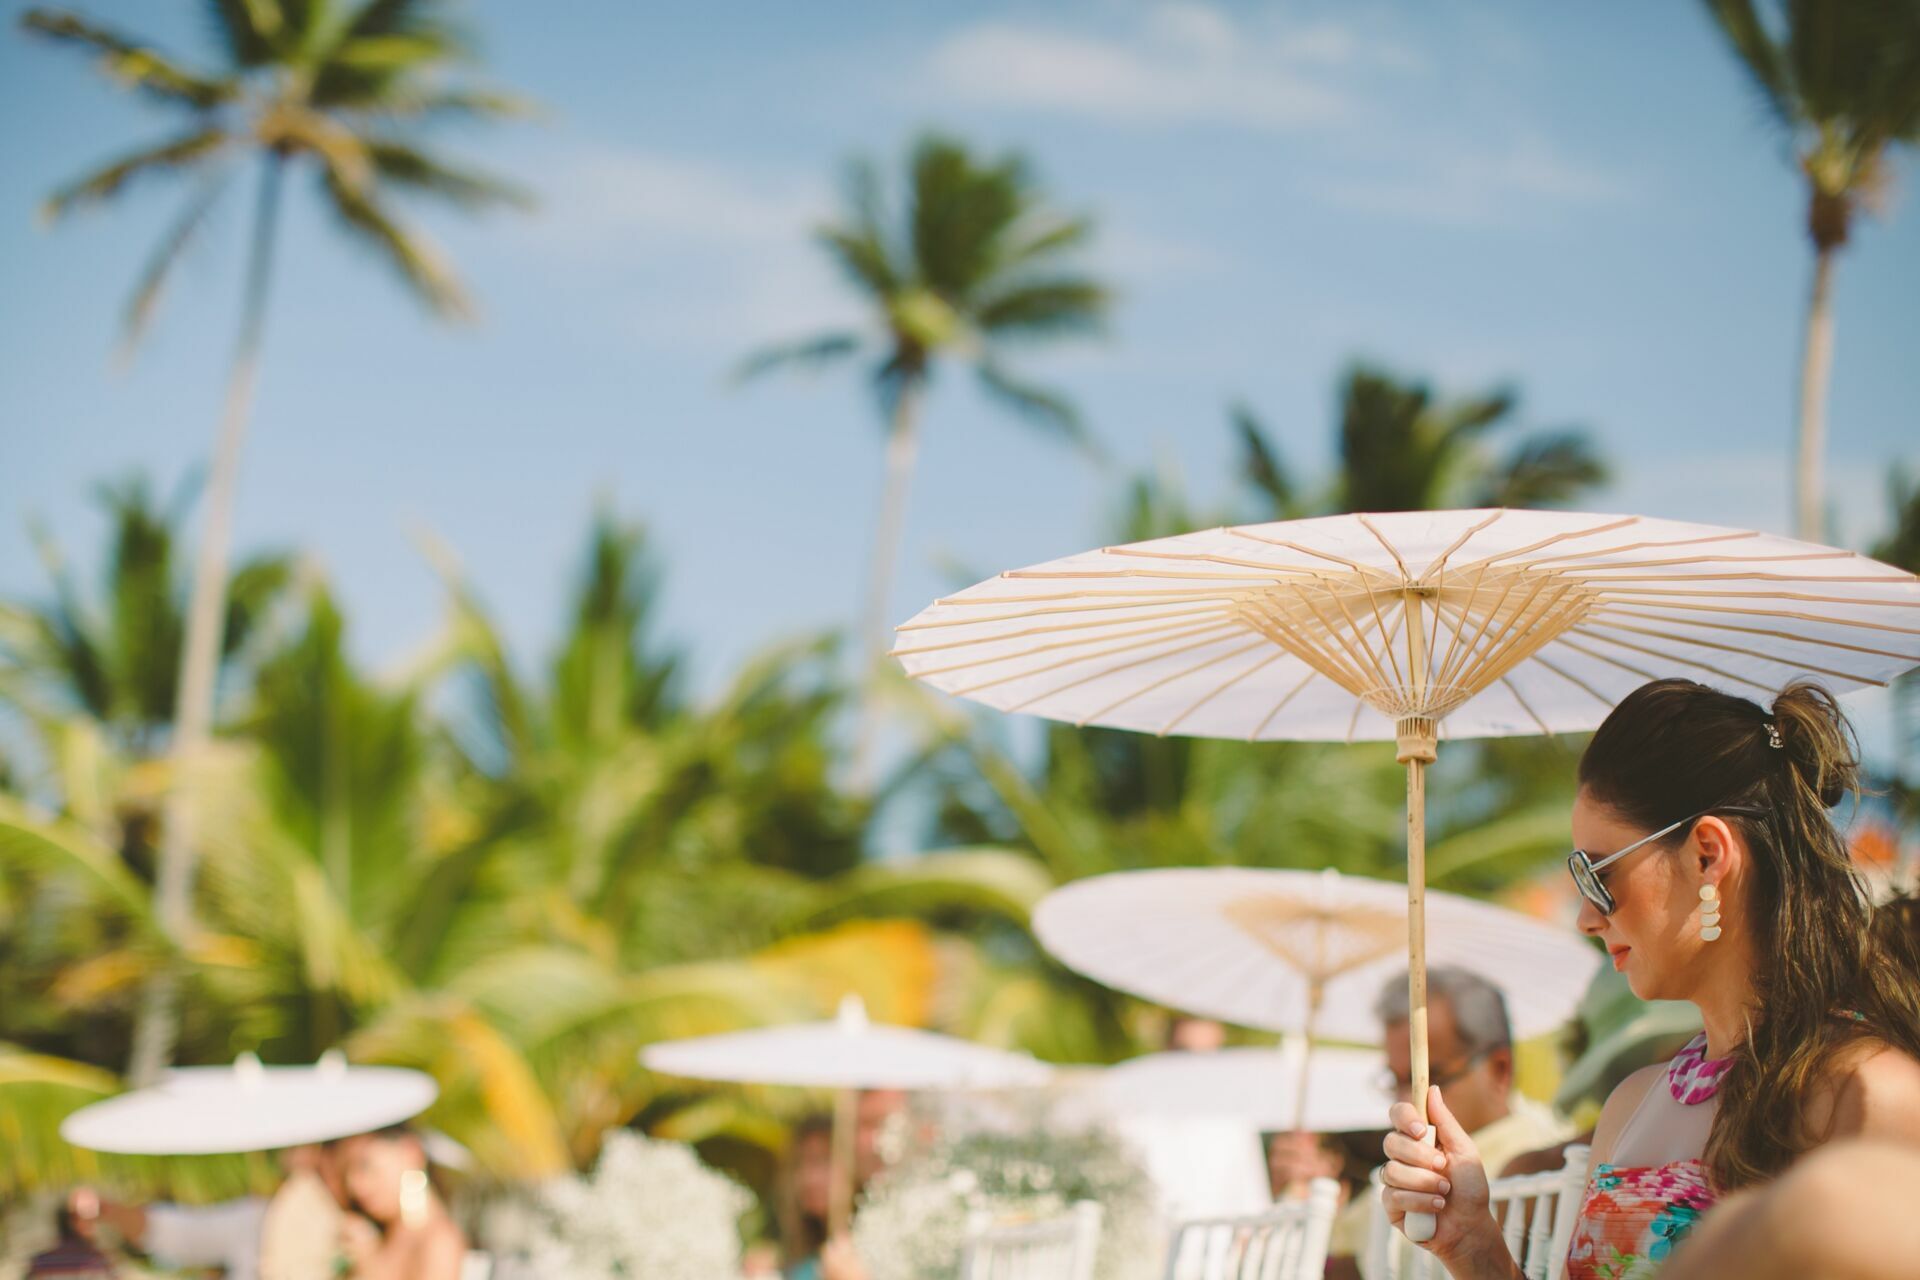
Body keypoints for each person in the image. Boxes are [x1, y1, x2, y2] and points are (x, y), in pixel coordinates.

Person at [1378, 680, 1920, 1279]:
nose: (1587, 915)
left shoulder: (1873, 1096)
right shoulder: (1632, 1105)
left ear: (1708, 855)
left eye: (1598, 873)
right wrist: (1476, 1247)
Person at [1338, 967, 1570, 1276]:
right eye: (1396, 1081)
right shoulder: (1417, 1161)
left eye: (1431, 1078)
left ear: (1499, 1069)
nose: (1408, 1101)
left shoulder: (1539, 1163)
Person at [336, 1126, 466, 1280]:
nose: (355, 1185)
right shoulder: (383, 1231)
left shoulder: (439, 1242)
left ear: (411, 1152)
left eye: (364, 1166)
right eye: (346, 1172)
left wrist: (370, 1267)